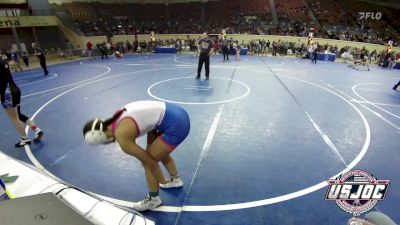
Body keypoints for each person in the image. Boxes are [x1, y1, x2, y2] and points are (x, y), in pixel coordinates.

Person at [82, 100, 190, 211]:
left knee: (148, 162)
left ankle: (154, 200)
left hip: (176, 124)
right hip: (175, 114)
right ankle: (176, 180)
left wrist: (161, 180)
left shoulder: (121, 135)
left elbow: (150, 162)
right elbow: (149, 121)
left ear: (99, 137)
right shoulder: (117, 117)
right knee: (156, 153)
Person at [0, 58, 44, 147]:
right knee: (18, 115)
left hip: (7, 93)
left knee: (14, 119)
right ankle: (36, 130)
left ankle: (25, 139)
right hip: (15, 90)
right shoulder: (3, 61)